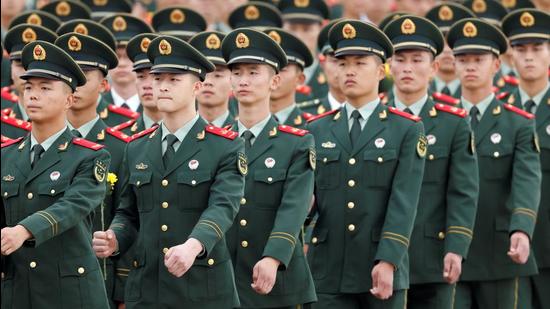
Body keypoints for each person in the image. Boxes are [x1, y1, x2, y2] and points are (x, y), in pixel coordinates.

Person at [92, 35, 246, 308]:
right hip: (148, 288)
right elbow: (129, 213)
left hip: (203, 287)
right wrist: (115, 237)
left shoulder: (225, 145)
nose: (162, 87)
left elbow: (223, 206)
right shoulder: (137, 147)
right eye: (158, 78)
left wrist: (193, 245)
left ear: (197, 86)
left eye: (174, 80)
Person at [305, 19, 426, 309]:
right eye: (343, 63)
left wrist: (388, 259)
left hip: (380, 265)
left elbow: (404, 201)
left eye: (360, 63)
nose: (349, 71)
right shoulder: (316, 129)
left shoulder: (405, 129)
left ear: (381, 70)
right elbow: (306, 199)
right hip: (327, 268)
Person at [1, 40, 111, 308]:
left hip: (69, 293)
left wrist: (24, 230)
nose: (33, 95)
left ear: (69, 100)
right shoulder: (6, 155)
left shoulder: (91, 155)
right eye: (29, 87)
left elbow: (72, 206)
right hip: (18, 291)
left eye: (45, 88)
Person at [384, 15, 479, 309]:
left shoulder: (454, 124)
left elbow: (463, 192)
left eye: (417, 59)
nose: (408, 67)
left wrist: (456, 247)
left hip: (431, 256)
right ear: (388, 65)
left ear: (434, 67)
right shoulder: (374, 121)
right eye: (400, 59)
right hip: (377, 258)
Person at [446, 18, 542, 309]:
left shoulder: (518, 123)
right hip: (450, 252)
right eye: (463, 59)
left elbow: (527, 180)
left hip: (501, 250)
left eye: (479, 59)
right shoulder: (441, 122)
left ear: (497, 65)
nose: (470, 66)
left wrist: (522, 229)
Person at [222, 28, 318, 308]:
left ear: (274, 81)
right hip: (224, 278)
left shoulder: (296, 143)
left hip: (276, 278)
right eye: (237, 72)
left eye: (254, 72)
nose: (244, 80)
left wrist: (274, 257)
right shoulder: (217, 142)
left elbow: (295, 206)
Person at [501, 9, 550, 309]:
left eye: (537, 48)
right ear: (509, 56)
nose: (528, 57)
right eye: (520, 49)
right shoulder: (498, 111)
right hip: (508, 246)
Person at [1, 24, 57, 139]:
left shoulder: (70, 123)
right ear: (10, 68)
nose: (27, 72)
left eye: (38, 66)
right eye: (21, 65)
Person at [99, 13, 153, 128]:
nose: (122, 63)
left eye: (128, 57)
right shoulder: (94, 107)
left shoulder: (155, 106)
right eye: (116, 56)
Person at [278, 0, 330, 102]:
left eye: (307, 29)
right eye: (292, 29)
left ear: (320, 29)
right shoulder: (270, 72)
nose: (299, 36)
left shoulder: (331, 72)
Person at [264, 28, 314, 128]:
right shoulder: (243, 126)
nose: (274, 77)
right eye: (268, 69)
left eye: (282, 69)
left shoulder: (314, 127)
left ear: (300, 79)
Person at [425, 3, 476, 102]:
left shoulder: (478, 94)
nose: (447, 50)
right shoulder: (416, 93)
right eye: (441, 43)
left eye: (452, 43)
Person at [190, 31, 234, 128]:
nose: (208, 82)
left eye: (218, 75)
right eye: (203, 75)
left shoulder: (242, 135)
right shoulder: (177, 133)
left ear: (233, 80)